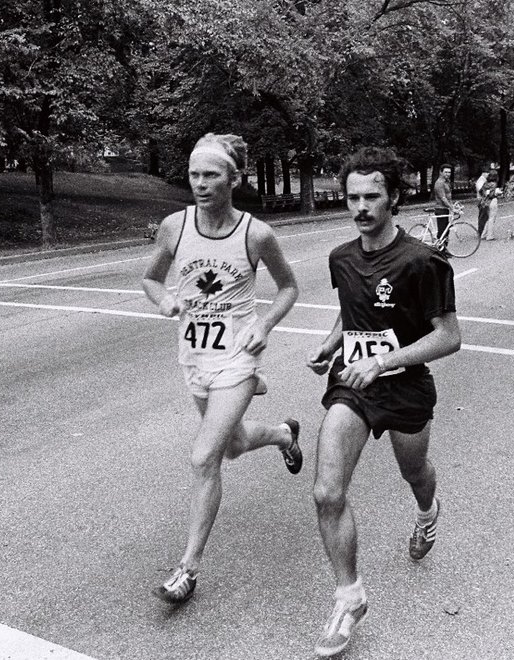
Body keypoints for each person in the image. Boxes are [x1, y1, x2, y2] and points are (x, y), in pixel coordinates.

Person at [305, 147, 461, 657]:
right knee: (328, 492)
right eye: (352, 196)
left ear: (394, 197)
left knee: (414, 472)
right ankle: (349, 599)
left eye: (372, 195)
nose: (361, 206)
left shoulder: (423, 261)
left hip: (405, 384)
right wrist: (332, 343)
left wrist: (385, 360)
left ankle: (427, 510)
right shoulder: (341, 258)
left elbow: (449, 337)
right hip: (353, 382)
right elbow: (351, 310)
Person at [141, 133, 301, 604]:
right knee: (230, 448)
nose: (201, 184)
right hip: (194, 356)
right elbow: (150, 279)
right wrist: (166, 297)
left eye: (211, 175)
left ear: (235, 178)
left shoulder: (255, 233)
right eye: (194, 174)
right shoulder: (175, 226)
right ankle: (283, 435)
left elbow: (289, 287)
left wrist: (266, 323)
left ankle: (187, 570)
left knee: (203, 457)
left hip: (237, 357)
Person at [431, 164, 459, 252]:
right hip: (440, 209)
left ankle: (444, 249)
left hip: (445, 209)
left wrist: (454, 206)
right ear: (441, 172)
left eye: (449, 172)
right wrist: (452, 208)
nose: (448, 174)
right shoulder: (439, 183)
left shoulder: (446, 182)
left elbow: (449, 197)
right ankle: (440, 251)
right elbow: (443, 198)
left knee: (446, 231)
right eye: (446, 172)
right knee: (442, 231)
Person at [479, 172, 503, 241]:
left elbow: (481, 191)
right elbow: (492, 194)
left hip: (485, 202)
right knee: (492, 218)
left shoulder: (485, 184)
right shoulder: (494, 184)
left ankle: (484, 234)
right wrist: (497, 193)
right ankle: (490, 235)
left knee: (488, 218)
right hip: (492, 201)